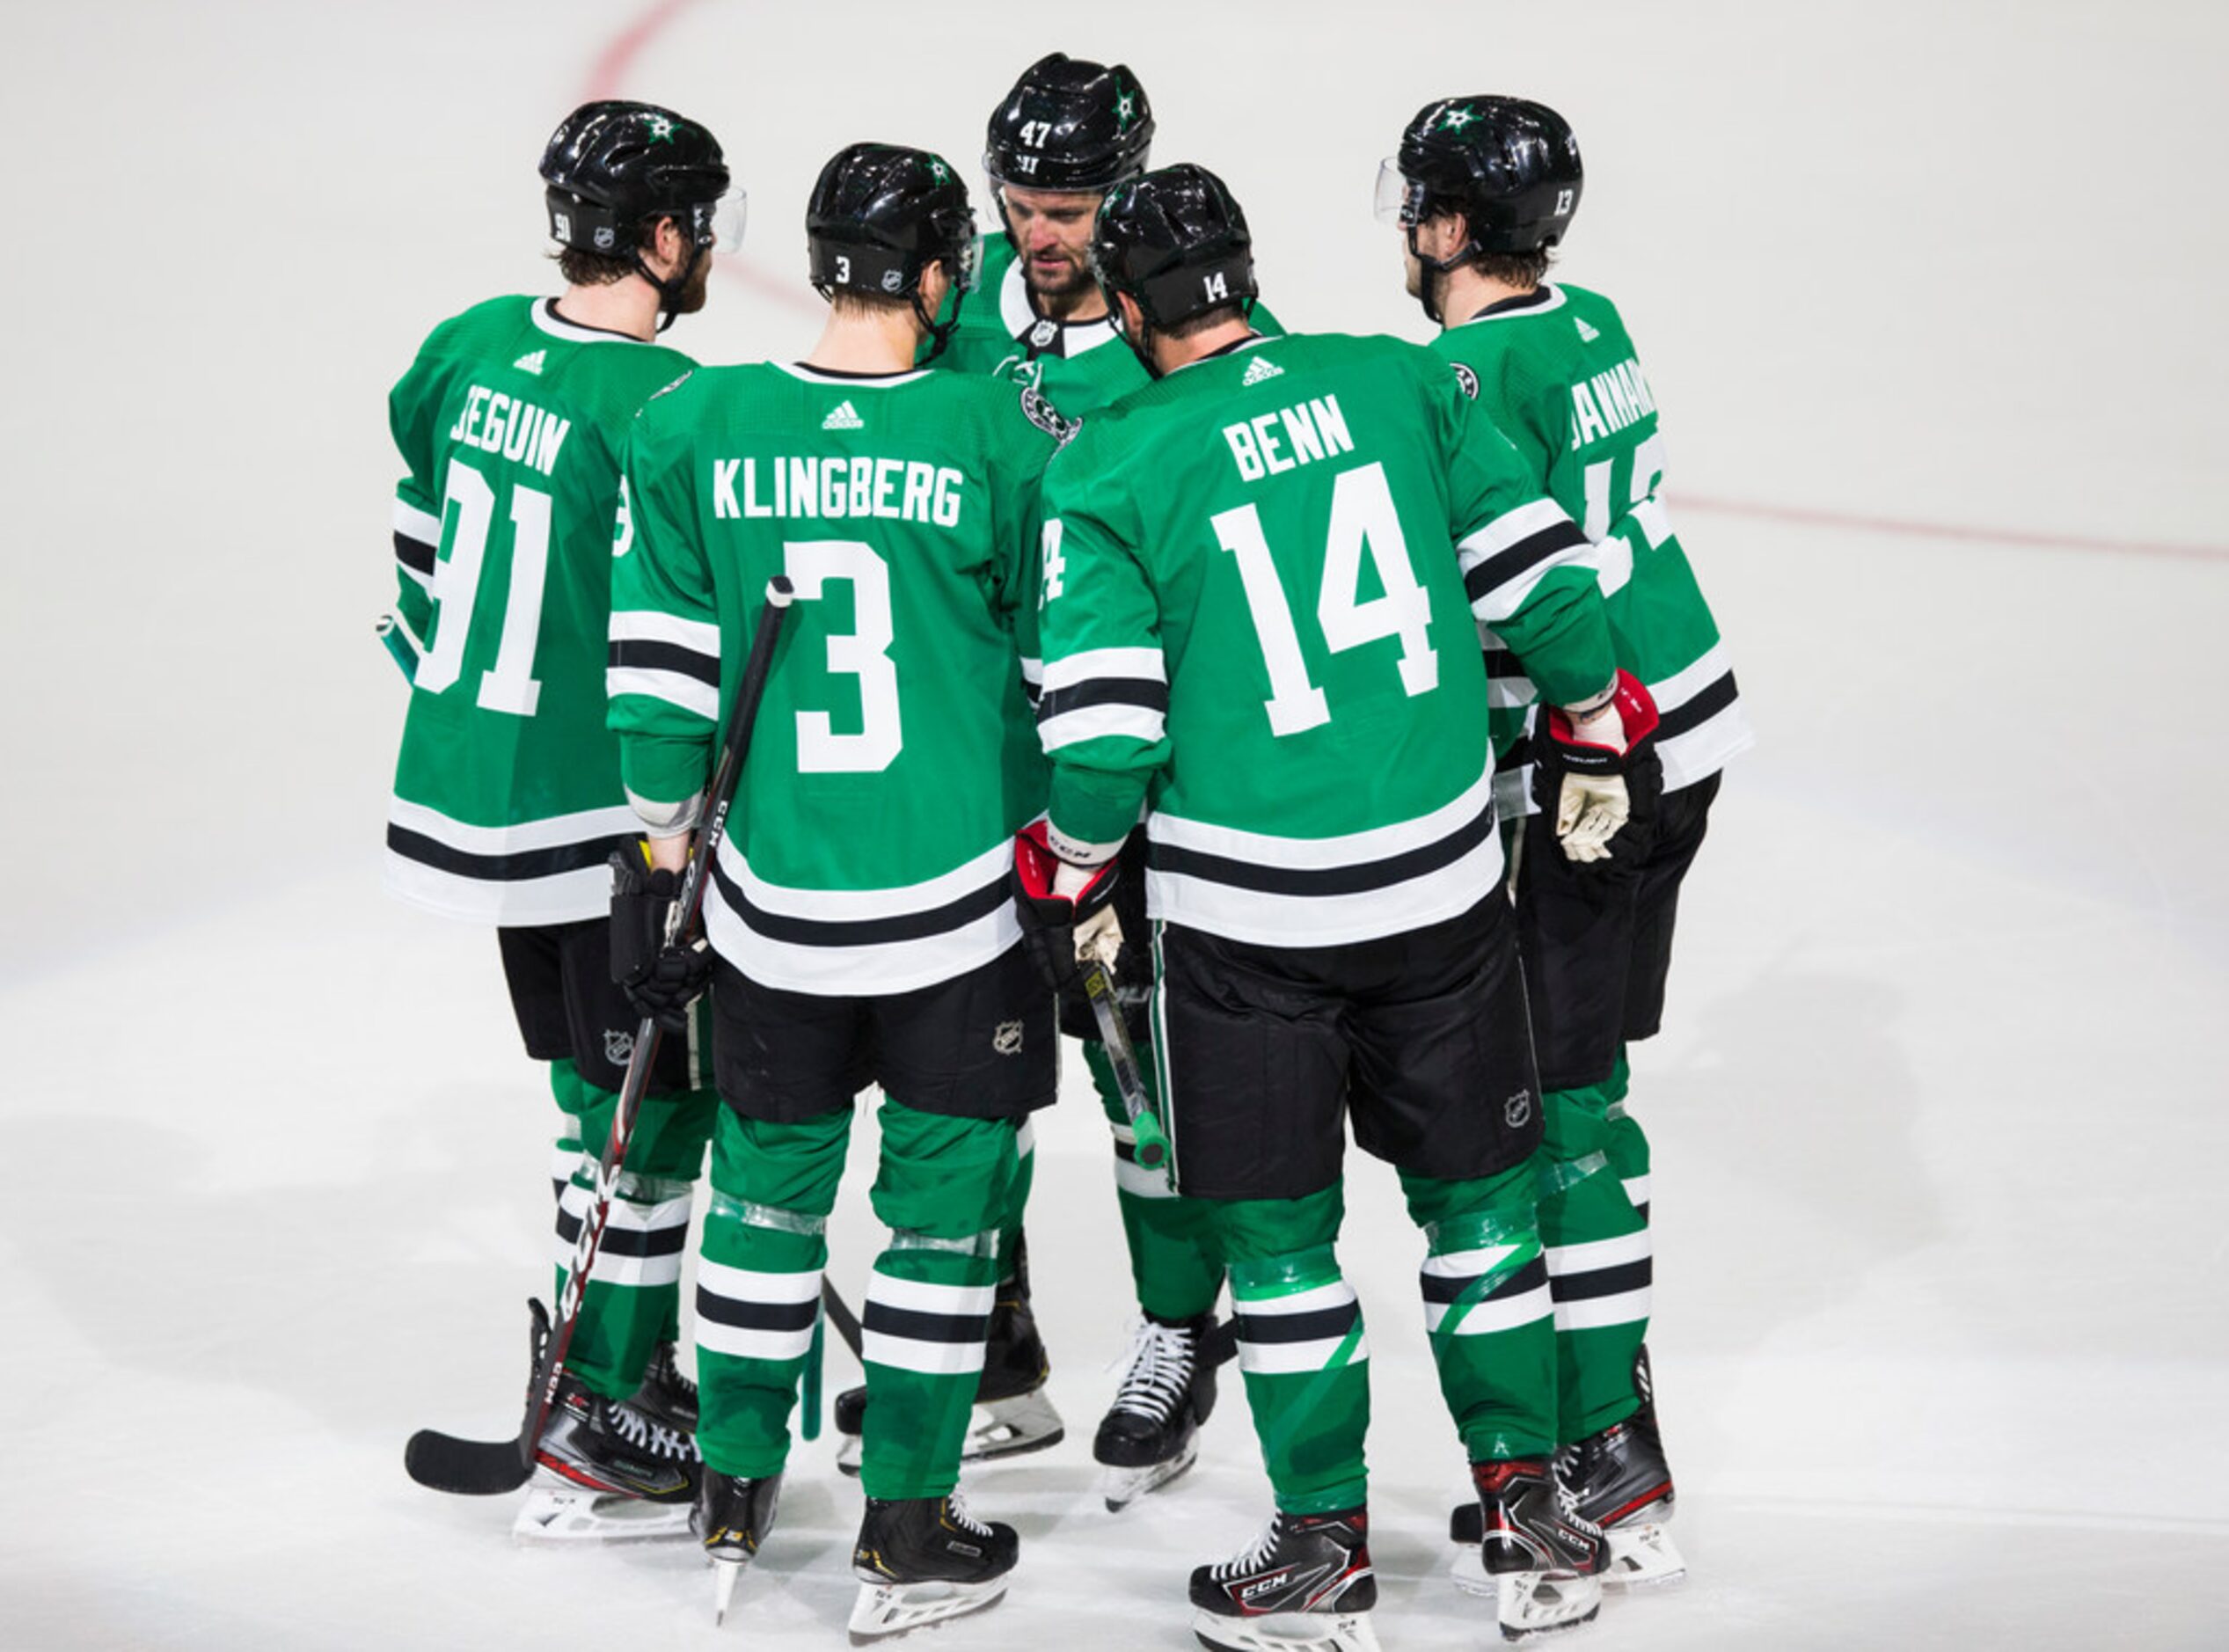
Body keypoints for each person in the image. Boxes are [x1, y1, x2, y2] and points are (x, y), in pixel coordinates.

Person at [1024, 163, 1661, 1648]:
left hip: (1248, 930)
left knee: (1279, 1245)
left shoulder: (1104, 465)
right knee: (1482, 1216)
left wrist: (1079, 865)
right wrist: (1584, 724)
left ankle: (1320, 1550)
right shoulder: (1395, 380)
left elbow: (1107, 734)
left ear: (1125, 311)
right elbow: (1547, 584)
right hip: (1441, 897)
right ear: (1243, 277)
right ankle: (1529, 1507)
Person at [608, 142, 1066, 1639]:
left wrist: (665, 848)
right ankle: (906, 1525)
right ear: (940, 277)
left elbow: (662, 693)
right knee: (938, 1231)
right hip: (952, 915)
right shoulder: (998, 431)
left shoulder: (700, 420)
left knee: (760, 1203)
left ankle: (734, 1487)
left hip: (769, 917)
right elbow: (1064, 665)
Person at [834, 48, 1285, 1514]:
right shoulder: (953, 330)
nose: (1042, 230)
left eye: (1073, 203)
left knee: (1140, 1078)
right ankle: (993, 1352)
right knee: (973, 1079)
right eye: (1022, 200)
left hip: (1126, 782)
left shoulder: (1189, 336)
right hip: (973, 783)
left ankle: (1176, 1331)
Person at [1382, 95, 1754, 1592]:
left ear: (1459, 225)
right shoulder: (1588, 319)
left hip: (1597, 760)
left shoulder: (1460, 371)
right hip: (1694, 721)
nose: (1406, 228)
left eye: (1420, 202)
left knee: (1562, 1101)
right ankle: (1606, 1417)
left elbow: (1520, 593)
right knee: (1579, 1077)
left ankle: (1607, 1439)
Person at [383, 99, 736, 1541]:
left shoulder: (465, 344)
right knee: (654, 1101)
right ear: (659, 237)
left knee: (592, 1090)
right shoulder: (662, 403)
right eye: (696, 226)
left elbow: (419, 537)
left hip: (468, 796)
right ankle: (612, 1399)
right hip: (599, 809)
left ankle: (608, 1368)